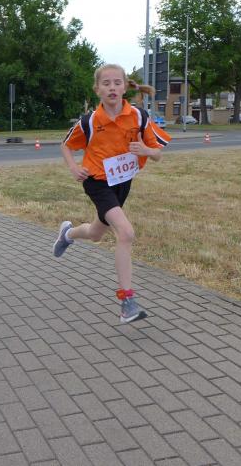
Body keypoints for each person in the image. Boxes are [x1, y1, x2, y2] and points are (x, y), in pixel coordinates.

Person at [52, 64, 170, 324]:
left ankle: (67, 234)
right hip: (97, 181)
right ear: (98, 89)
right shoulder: (90, 121)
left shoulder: (138, 116)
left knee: (96, 233)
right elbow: (66, 145)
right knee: (125, 233)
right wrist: (74, 168)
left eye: (117, 82)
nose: (112, 87)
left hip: (122, 182)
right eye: (106, 84)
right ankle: (127, 302)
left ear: (125, 87)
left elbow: (158, 154)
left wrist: (146, 151)